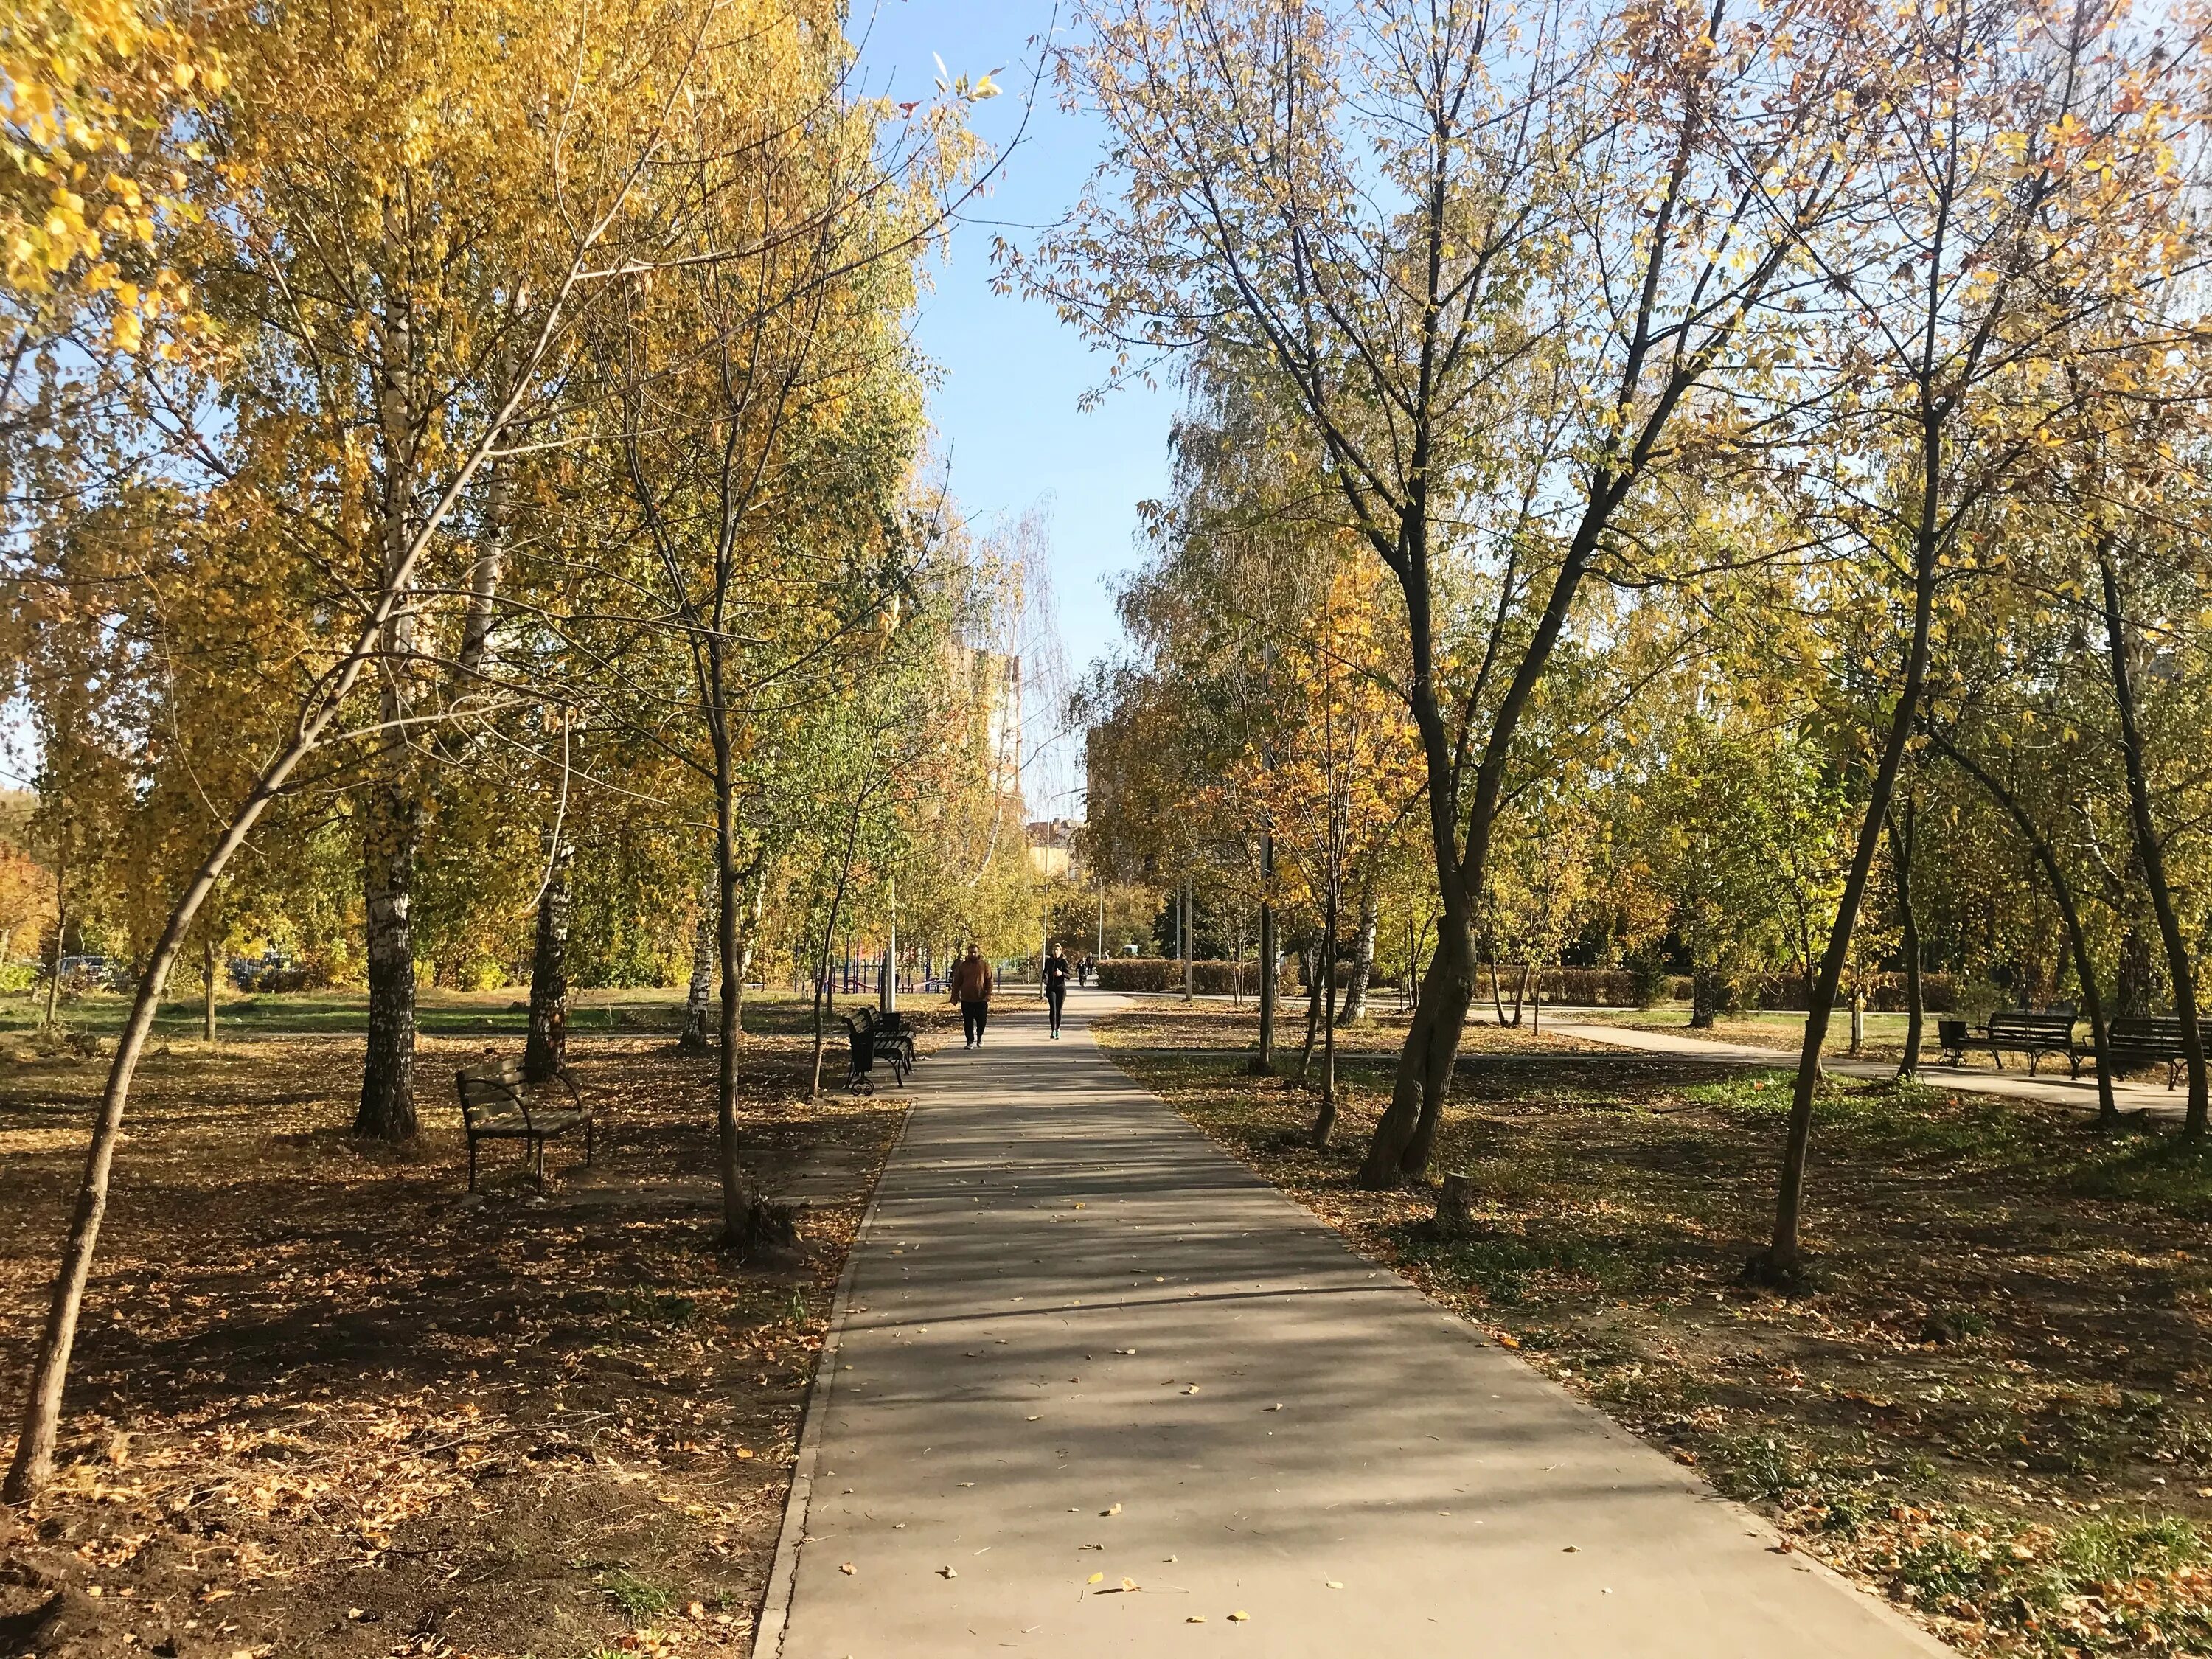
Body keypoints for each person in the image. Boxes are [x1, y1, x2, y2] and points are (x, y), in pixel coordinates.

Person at [949, 943, 995, 1048]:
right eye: (971, 952)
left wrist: (988, 994)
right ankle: (969, 1041)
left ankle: (980, 1037)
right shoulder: (963, 966)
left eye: (975, 952)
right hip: (967, 999)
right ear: (968, 953)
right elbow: (957, 983)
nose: (973, 954)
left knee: (981, 1021)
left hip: (981, 999)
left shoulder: (984, 965)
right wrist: (954, 997)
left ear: (978, 953)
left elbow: (989, 981)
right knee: (968, 1022)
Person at [1043, 941, 1072, 1038]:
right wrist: (1045, 978)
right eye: (1054, 950)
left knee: (1059, 1010)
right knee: (1053, 1009)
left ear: (1060, 951)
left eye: (1057, 950)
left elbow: (1069, 975)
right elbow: (1045, 972)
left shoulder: (1063, 962)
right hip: (1051, 988)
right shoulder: (1049, 961)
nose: (1056, 952)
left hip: (1060, 988)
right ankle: (1053, 1030)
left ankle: (1058, 1029)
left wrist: (1061, 973)